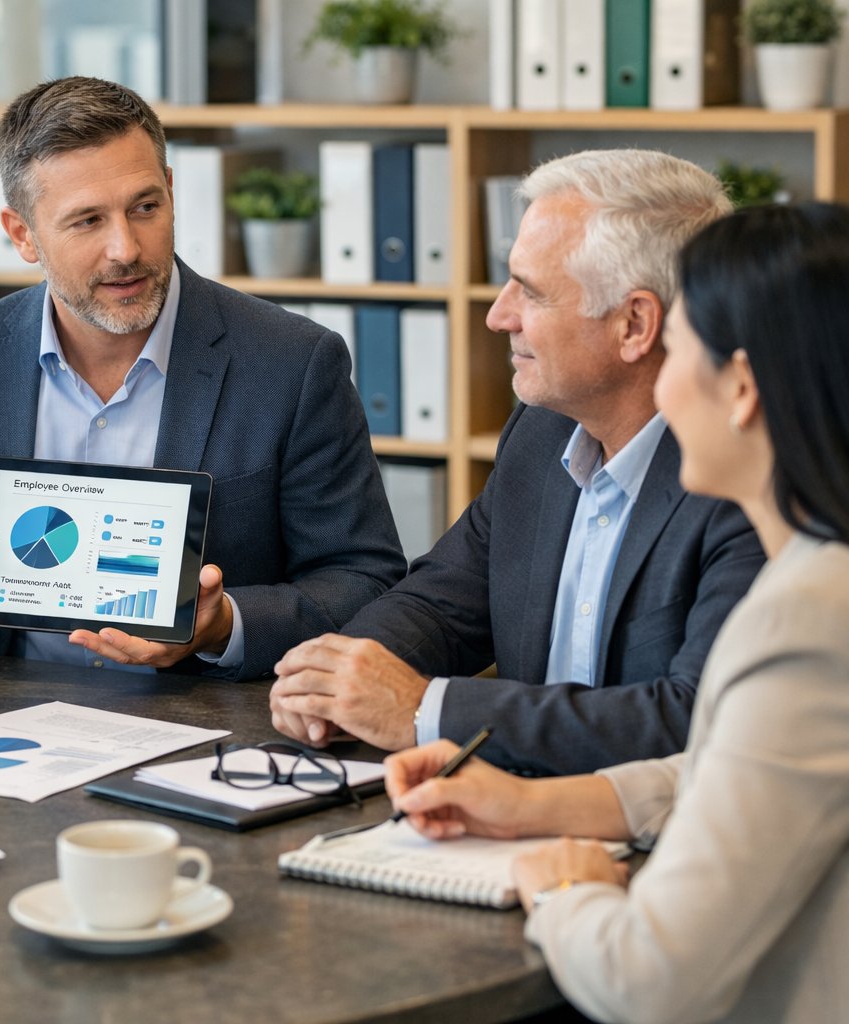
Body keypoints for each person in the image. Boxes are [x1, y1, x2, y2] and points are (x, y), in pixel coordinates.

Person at [385, 201, 849, 1024]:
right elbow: (737, 765)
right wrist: (535, 807)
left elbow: (649, 983)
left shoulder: (806, 624)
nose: (663, 387)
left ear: (740, 388)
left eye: (681, 352)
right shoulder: (819, 581)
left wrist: (565, 889)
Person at [0, 77, 405, 681]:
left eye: (144, 207)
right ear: (23, 234)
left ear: (172, 192)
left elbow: (367, 582)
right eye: (87, 221)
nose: (125, 248)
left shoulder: (293, 362)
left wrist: (224, 623)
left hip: (197, 725)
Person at [269, 150, 765, 774]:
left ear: (634, 323)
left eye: (529, 291)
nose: (497, 315)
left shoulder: (743, 475)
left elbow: (690, 719)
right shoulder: (541, 431)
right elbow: (440, 604)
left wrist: (423, 709)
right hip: (506, 817)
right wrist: (336, 677)